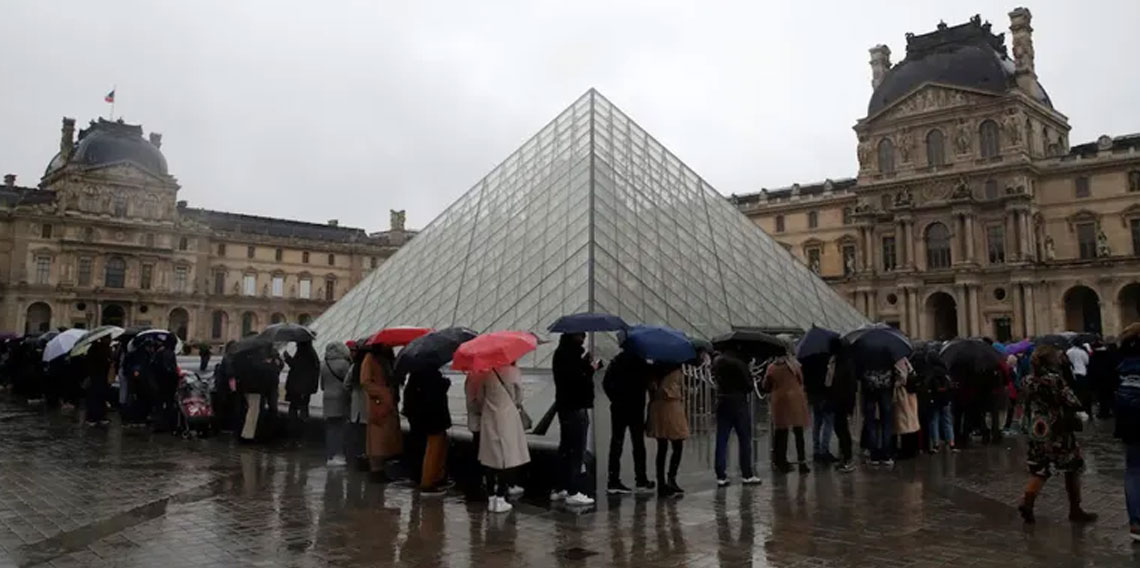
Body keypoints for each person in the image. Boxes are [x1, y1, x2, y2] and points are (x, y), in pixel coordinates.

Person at [1017, 345, 1097, 524]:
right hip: (1058, 428)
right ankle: (1075, 509)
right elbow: (1072, 401)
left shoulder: (1027, 380)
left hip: (1037, 428)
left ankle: (1027, 500)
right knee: (1072, 467)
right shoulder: (1054, 380)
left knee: (1040, 468)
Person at [471, 363, 531, 513]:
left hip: (489, 419)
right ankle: (501, 497)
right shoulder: (513, 372)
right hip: (508, 419)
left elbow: (480, 399)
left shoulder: (486, 374)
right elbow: (519, 397)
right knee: (508, 459)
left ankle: (491, 497)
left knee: (490, 459)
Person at [551, 332, 597, 506]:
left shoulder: (561, 353)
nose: (583, 338)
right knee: (577, 450)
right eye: (581, 336)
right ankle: (574, 490)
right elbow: (577, 381)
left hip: (565, 407)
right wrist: (590, 369)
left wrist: (584, 363)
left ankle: (560, 487)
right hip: (575, 407)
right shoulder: (570, 355)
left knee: (566, 448)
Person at [603, 349, 654, 494]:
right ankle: (641, 479)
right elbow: (647, 383)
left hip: (618, 408)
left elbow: (606, 383)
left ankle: (613, 480)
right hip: (636, 408)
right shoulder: (641, 363)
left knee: (616, 443)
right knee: (638, 444)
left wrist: (615, 398)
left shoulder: (616, 361)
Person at [404, 363, 451, 494]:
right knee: (433, 450)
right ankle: (428, 482)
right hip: (433, 419)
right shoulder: (432, 376)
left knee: (421, 448)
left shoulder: (414, 376)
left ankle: (422, 477)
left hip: (419, 418)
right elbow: (433, 396)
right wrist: (444, 384)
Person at [764, 348, 810, 474]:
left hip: (780, 401)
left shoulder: (772, 368)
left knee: (781, 432)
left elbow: (766, 386)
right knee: (798, 432)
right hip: (795, 399)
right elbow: (801, 380)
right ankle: (802, 463)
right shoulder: (794, 365)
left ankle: (780, 461)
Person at [646, 363, 689, 497]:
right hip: (672, 408)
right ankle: (671, 478)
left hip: (657, 409)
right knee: (678, 445)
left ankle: (661, 482)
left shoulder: (653, 370)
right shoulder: (676, 370)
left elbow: (651, 389)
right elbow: (682, 389)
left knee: (662, 447)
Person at [362, 346, 403, 481]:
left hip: (388, 404)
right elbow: (365, 382)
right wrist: (383, 393)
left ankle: (380, 468)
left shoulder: (388, 360)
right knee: (377, 438)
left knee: (386, 438)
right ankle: (376, 469)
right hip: (378, 405)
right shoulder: (370, 358)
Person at [860, 350, 897, 466]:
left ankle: (874, 455)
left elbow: (861, 375)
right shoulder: (889, 355)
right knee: (887, 424)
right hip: (886, 392)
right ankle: (887, 455)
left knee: (871, 423)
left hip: (870, 392)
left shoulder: (866, 356)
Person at [827, 340, 858, 472]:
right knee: (840, 429)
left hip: (843, 401)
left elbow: (850, 386)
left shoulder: (846, 363)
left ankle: (848, 459)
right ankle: (845, 457)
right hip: (839, 401)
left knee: (842, 430)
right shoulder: (838, 362)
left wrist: (850, 405)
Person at [321, 342, 353, 467]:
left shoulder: (324, 364)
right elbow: (348, 382)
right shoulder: (344, 364)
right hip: (340, 398)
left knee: (330, 428)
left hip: (327, 398)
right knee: (339, 428)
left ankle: (330, 455)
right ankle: (338, 455)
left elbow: (322, 385)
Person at [801, 349, 835, 464]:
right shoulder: (826, 359)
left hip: (813, 395)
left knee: (817, 422)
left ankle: (816, 450)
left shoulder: (806, 358)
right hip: (825, 395)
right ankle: (824, 450)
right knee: (828, 422)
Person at [925, 350, 956, 453]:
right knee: (947, 421)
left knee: (934, 421)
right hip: (946, 398)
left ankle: (936, 444)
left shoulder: (931, 371)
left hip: (934, 399)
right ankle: (951, 442)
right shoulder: (944, 370)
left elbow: (927, 384)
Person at [285, 341, 320, 427]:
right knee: (303, 406)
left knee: (294, 407)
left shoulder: (303, 352)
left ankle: (294, 427)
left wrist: (287, 357)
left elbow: (296, 366)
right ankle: (302, 426)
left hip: (298, 386)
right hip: (305, 387)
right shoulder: (311, 353)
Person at [84, 336, 114, 426]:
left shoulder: (104, 349)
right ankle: (93, 417)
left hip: (101, 377)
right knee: (95, 398)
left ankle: (99, 416)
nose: (110, 340)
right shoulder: (96, 350)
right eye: (108, 339)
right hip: (96, 377)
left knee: (100, 398)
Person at [1066, 342, 1092, 416]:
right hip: (1082, 373)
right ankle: (1087, 409)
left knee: (1077, 392)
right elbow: (1087, 361)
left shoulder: (1068, 351)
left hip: (1073, 373)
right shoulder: (1082, 352)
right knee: (1085, 392)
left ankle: (1078, 408)